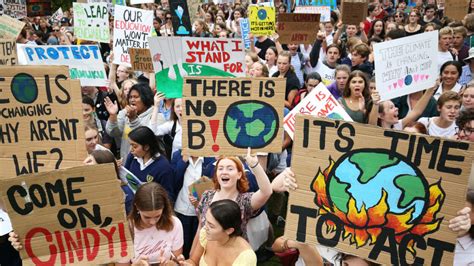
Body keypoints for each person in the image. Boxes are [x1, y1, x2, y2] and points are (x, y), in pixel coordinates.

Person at [117, 182, 183, 265]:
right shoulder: (125, 229)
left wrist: (171, 263)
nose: (152, 222)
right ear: (137, 207)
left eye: (157, 216)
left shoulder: (174, 224)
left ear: (164, 208)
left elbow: (177, 257)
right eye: (147, 217)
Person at [183, 200, 257, 265]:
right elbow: (194, 261)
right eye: (206, 221)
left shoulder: (245, 257)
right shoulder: (205, 234)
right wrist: (186, 264)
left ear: (229, 230)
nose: (206, 227)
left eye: (211, 226)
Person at [124, 126, 176, 202]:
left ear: (146, 147)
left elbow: (169, 196)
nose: (131, 150)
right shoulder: (132, 157)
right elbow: (125, 178)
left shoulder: (163, 167)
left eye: (134, 146)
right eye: (130, 145)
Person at [105, 83, 155, 160]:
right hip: (127, 162)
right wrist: (113, 115)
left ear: (146, 98)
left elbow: (144, 138)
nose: (132, 100)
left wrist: (133, 119)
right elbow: (113, 132)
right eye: (130, 97)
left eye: (136, 97)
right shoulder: (126, 114)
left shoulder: (155, 114)